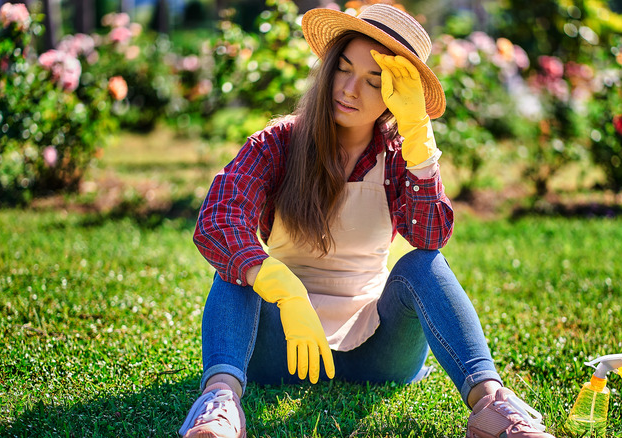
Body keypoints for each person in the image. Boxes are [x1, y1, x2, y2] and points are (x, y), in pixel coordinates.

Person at [178, 4, 555, 438]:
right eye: (343, 69)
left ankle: (493, 406)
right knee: (235, 269)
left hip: (376, 351)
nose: (351, 90)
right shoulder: (279, 142)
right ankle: (221, 405)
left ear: (398, 95)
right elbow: (218, 219)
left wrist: (418, 136)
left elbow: (429, 235)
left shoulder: (399, 156)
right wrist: (285, 291)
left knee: (424, 265)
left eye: (376, 81)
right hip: (277, 348)